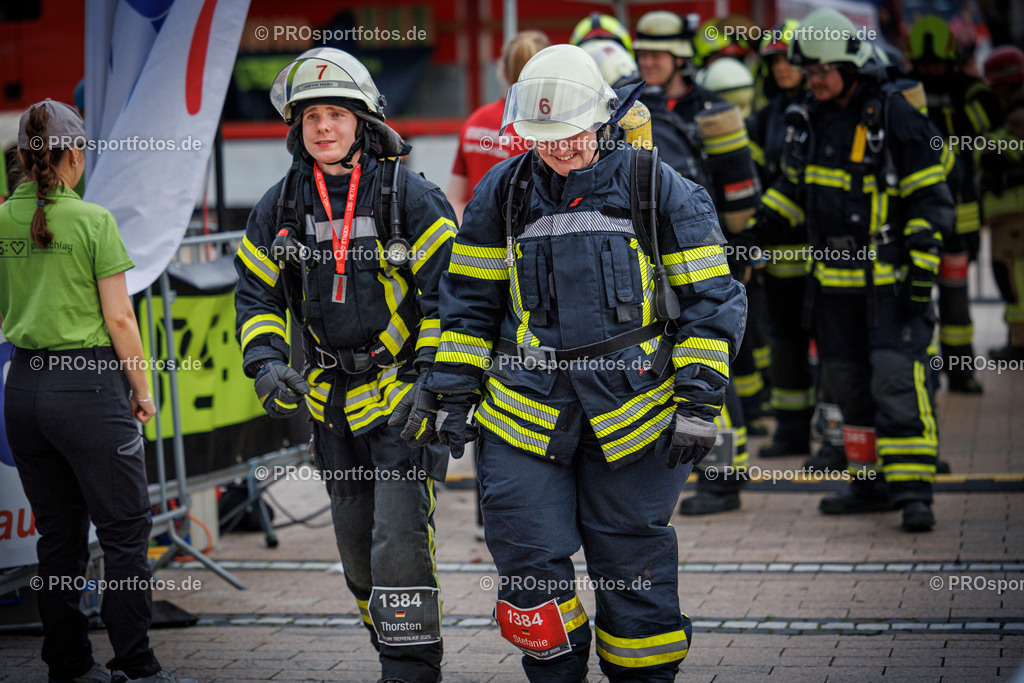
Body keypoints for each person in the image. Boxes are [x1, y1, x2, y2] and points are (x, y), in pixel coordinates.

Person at [415, 44, 746, 681]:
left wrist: (699, 400)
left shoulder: (657, 188)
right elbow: (469, 305)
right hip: (522, 411)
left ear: (601, 120)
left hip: (638, 410)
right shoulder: (502, 194)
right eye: (545, 138)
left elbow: (713, 300)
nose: (559, 149)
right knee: (526, 561)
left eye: (570, 135)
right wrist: (451, 392)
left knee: (631, 567)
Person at [233, 48, 455, 683]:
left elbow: (452, 295)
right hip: (330, 405)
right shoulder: (280, 208)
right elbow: (257, 294)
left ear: (364, 122)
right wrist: (266, 361)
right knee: (356, 550)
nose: (323, 127)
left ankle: (410, 669)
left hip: (403, 398)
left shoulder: (409, 197)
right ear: (296, 130)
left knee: (398, 543)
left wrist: (434, 384)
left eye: (336, 114)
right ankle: (389, 645)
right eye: (310, 117)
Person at [0, 100, 192, 683]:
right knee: (126, 532)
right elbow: (122, 322)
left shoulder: (3, 216)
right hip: (87, 388)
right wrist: (144, 391)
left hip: (23, 389)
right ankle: (136, 664)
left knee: (58, 537)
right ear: (74, 153)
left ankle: (69, 665)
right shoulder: (93, 221)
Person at [753, 8, 954, 532]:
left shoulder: (894, 115)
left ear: (850, 63)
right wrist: (752, 235)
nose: (812, 80)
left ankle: (913, 492)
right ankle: (869, 485)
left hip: (889, 284)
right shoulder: (811, 119)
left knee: (896, 381)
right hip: (834, 286)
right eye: (808, 71)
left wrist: (922, 269)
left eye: (820, 71)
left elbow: (931, 199)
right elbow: (793, 193)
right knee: (847, 387)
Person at [634, 9, 762, 514]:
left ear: (681, 58)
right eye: (642, 53)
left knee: (707, 361)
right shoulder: (624, 102)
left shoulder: (711, 110)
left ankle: (725, 476)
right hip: (642, 257)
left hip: (701, 252)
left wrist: (743, 252)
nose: (647, 62)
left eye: (657, 55)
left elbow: (738, 191)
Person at [908, 14, 1005, 393]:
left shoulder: (970, 91)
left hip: (958, 224)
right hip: (922, 221)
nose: (931, 70)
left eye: (936, 64)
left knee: (955, 304)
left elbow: (981, 125)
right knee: (919, 299)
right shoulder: (907, 91)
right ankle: (929, 373)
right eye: (925, 64)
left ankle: (960, 371)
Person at [746, 21, 818, 465]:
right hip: (777, 253)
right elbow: (755, 181)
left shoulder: (821, 111)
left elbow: (802, 183)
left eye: (791, 59)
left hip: (821, 251)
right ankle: (792, 431)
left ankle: (832, 432)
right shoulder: (764, 118)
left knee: (828, 345)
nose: (783, 68)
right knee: (785, 343)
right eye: (775, 61)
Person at [447, 30, 548, 222]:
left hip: (475, 237)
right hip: (521, 242)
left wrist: (467, 237)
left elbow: (455, 199)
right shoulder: (544, 130)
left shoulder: (475, 120)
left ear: (503, 71)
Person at [980, 45, 1024, 361]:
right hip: (1007, 217)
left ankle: (1021, 344)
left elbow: (1001, 153)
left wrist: (979, 138)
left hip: (1016, 217)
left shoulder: (1019, 116)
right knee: (1008, 278)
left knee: (1016, 281)